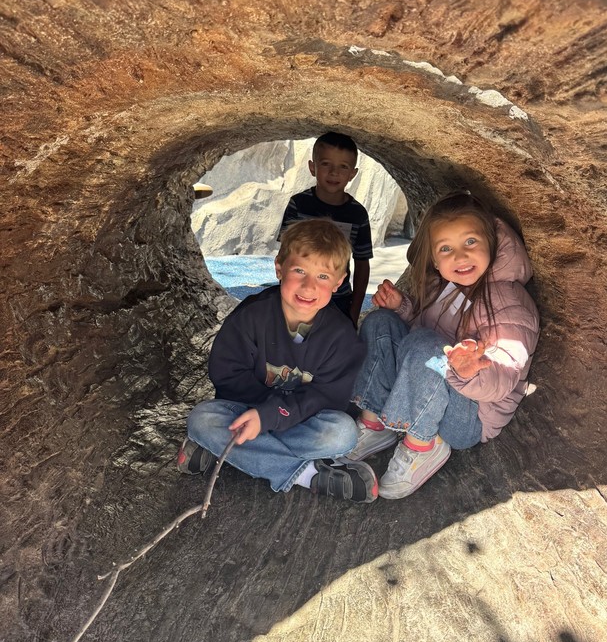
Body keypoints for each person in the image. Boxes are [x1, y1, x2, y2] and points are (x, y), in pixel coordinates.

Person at [346, 192, 539, 499]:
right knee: (380, 323)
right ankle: (376, 422)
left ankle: (423, 446)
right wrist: (402, 308)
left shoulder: (508, 301)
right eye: (446, 249)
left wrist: (471, 372)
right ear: (434, 258)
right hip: (437, 378)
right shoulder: (441, 285)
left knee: (426, 347)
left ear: (491, 243)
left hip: (468, 415)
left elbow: (505, 376)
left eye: (471, 242)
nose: (460, 257)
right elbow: (425, 328)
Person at [178, 219, 378, 503]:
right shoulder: (252, 316)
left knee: (343, 434)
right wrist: (262, 414)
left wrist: (273, 416)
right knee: (202, 419)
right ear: (279, 268)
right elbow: (226, 374)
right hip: (246, 410)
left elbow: (328, 397)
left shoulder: (340, 335)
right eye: (299, 271)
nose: (309, 286)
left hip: (299, 417)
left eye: (323, 276)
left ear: (339, 282)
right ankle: (309, 475)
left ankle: (225, 452)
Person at [279, 132, 372, 325]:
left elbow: (362, 264)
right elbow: (285, 253)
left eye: (343, 167)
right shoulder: (299, 204)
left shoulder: (357, 214)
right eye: (325, 164)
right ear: (312, 167)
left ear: (352, 174)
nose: (334, 172)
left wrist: (354, 310)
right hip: (299, 294)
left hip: (338, 299)